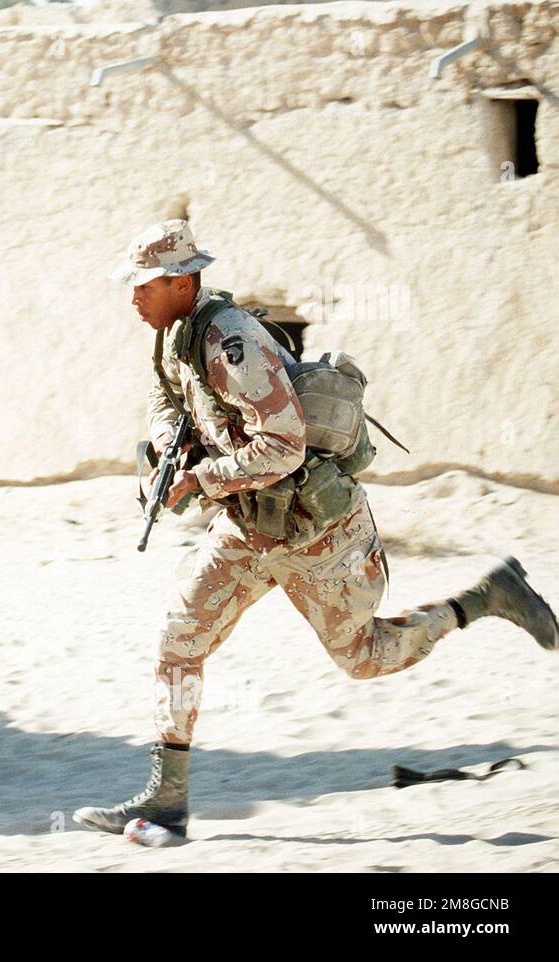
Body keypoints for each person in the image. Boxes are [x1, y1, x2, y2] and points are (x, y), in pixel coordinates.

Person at [72, 219, 559, 838]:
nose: (133, 297)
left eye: (144, 285)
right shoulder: (171, 339)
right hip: (248, 531)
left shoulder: (231, 342)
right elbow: (164, 401)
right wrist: (174, 451)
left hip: (318, 534)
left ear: (182, 281)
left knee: (366, 658)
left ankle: (487, 598)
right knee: (180, 639)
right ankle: (166, 800)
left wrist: (202, 480)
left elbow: (284, 446)